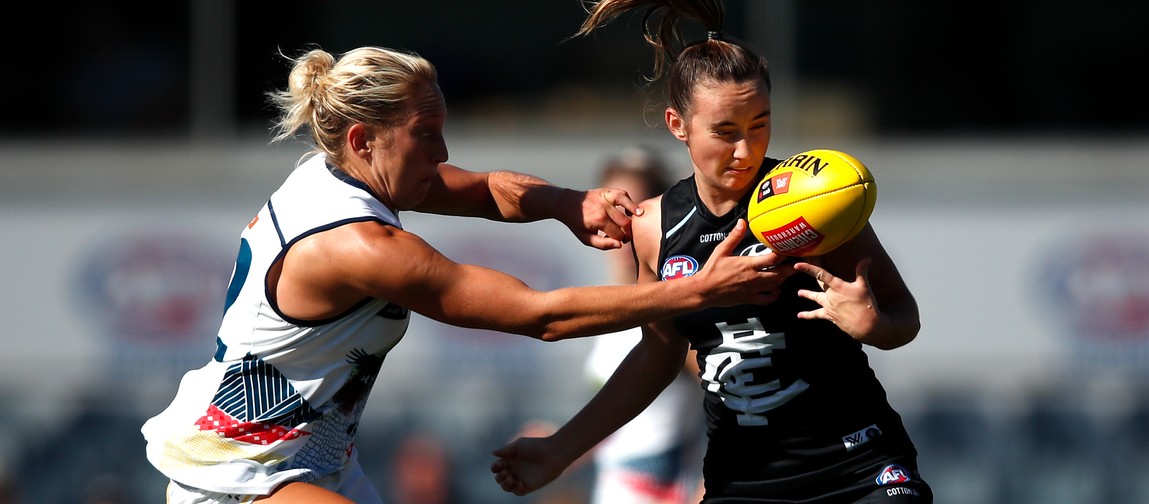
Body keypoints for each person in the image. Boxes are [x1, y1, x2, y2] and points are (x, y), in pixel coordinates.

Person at [139, 45, 790, 504]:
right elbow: (543, 316)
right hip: (238, 471)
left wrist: (570, 203)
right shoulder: (357, 244)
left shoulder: (337, 173)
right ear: (366, 139)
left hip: (312, 462)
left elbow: (483, 190)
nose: (443, 153)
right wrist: (696, 290)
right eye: (427, 135)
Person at [491, 1, 934, 502]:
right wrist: (560, 449)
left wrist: (875, 324)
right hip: (742, 482)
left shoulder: (813, 200)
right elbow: (657, 356)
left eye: (760, 125)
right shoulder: (655, 225)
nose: (745, 150)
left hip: (858, 467)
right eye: (725, 132)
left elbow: (904, 314)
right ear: (678, 125)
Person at [582, 146, 705, 504]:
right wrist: (558, 444)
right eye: (610, 208)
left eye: (633, 212)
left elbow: (737, 398)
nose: (619, 224)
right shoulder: (611, 301)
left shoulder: (670, 307)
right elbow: (626, 425)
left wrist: (712, 484)